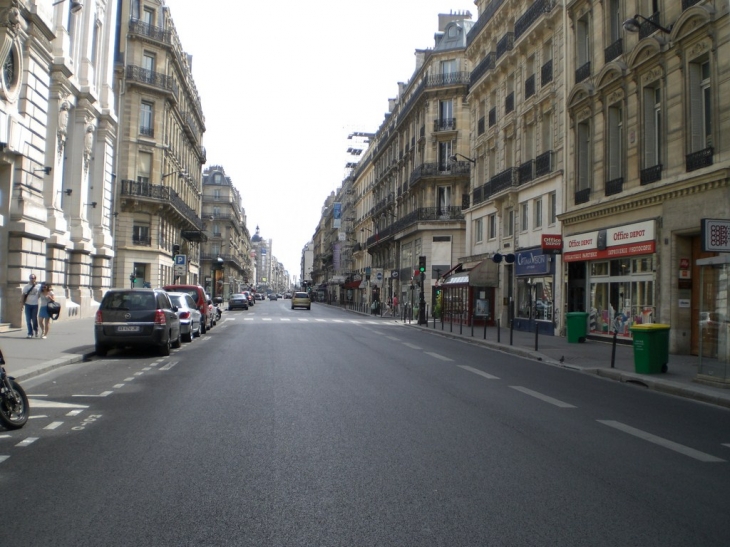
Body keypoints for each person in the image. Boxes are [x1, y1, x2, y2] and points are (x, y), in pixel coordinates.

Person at [22, 274, 41, 338]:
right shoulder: (26, 286)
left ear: (35, 279)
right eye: (30, 278)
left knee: (34, 318)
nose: (32, 279)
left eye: (33, 278)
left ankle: (36, 330)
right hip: (27, 304)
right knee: (28, 319)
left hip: (35, 304)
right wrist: (22, 304)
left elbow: (41, 293)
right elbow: (23, 295)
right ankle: (30, 333)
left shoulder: (38, 286)